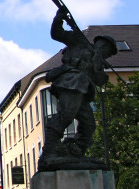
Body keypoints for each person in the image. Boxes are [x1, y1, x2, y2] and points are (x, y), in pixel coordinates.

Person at [39, 9, 117, 163]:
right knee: (65, 116)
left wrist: (98, 63)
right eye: (108, 51)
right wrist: (59, 17)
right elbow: (57, 34)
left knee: (88, 125)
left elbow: (101, 81)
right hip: (70, 83)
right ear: (102, 44)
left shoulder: (98, 61)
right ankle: (48, 153)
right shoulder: (79, 41)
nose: (108, 55)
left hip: (82, 91)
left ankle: (77, 154)